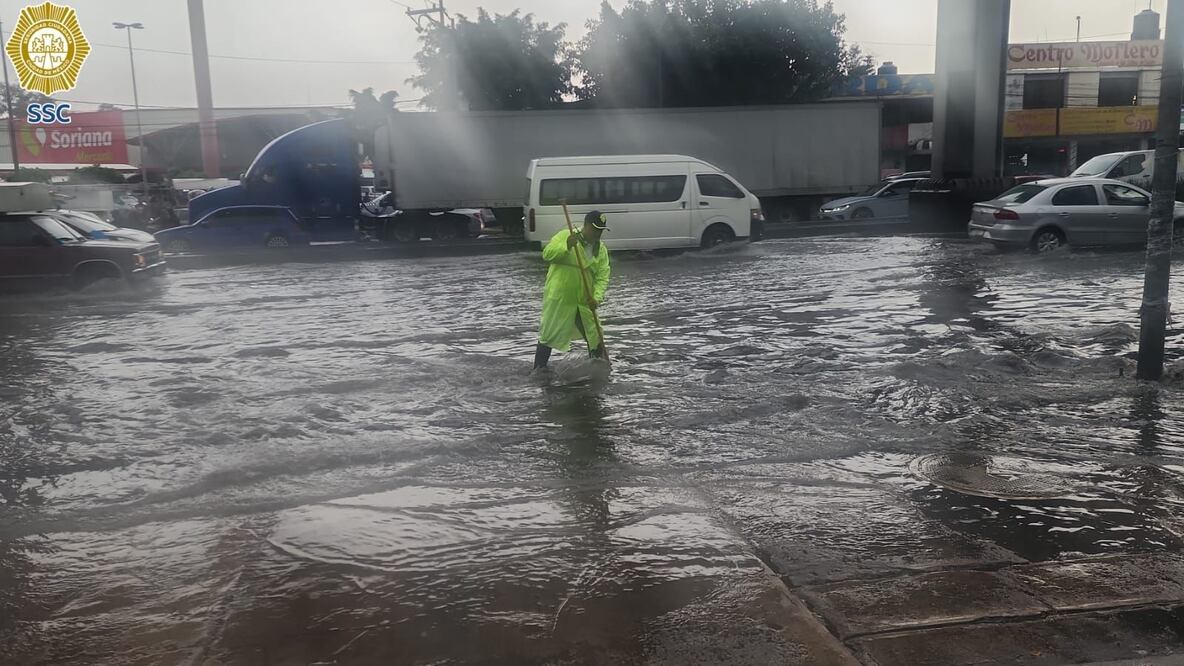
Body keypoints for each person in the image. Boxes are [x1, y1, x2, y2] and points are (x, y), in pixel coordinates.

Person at [533, 210, 612, 370]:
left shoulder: (601, 249)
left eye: (601, 230)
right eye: (595, 229)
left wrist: (596, 298)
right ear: (586, 225)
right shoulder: (565, 236)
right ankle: (538, 371)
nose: (598, 233)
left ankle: (597, 371)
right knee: (548, 335)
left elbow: (603, 276)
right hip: (560, 298)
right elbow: (547, 255)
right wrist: (566, 246)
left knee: (595, 335)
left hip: (584, 300)